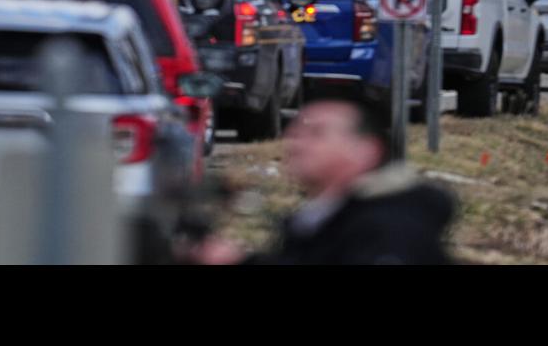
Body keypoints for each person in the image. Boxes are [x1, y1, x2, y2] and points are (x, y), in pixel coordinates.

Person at [187, 93, 456, 265]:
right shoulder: (329, 217)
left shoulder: (390, 229)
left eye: (317, 133)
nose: (297, 143)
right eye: (296, 132)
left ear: (366, 149)